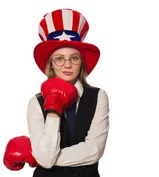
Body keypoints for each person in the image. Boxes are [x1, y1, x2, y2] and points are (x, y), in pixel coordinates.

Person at [3, 8, 109, 177]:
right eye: (59, 58)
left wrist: (44, 158)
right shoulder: (36, 102)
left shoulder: (98, 96)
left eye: (74, 58)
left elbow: (94, 150)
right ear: (51, 63)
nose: (67, 65)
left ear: (81, 62)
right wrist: (53, 107)